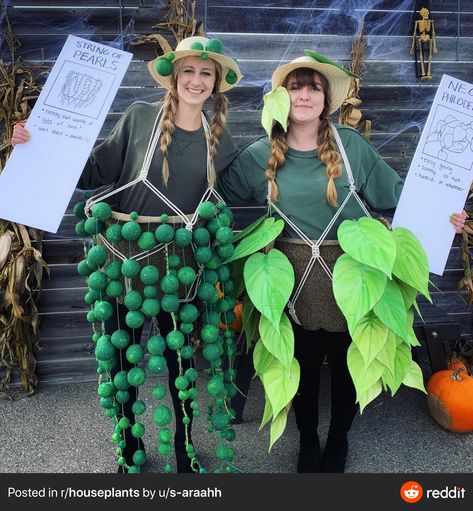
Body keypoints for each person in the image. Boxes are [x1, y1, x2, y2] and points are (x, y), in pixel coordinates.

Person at [217, 50, 466, 473]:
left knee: (352, 365)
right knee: (304, 366)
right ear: (282, 96)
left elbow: (396, 193)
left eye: (314, 87)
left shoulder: (350, 147)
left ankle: (338, 440)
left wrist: (445, 215)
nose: (305, 94)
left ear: (326, 99)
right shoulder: (261, 154)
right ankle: (309, 439)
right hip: (291, 281)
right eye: (296, 86)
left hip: (352, 275)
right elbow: (215, 194)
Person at [12, 36, 242, 473]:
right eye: (188, 71)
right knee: (122, 356)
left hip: (181, 266)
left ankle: (184, 449)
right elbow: (95, 169)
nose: (196, 80)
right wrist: (37, 142)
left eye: (205, 73)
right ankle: (127, 451)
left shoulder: (219, 137)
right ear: (174, 77)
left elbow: (232, 190)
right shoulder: (140, 118)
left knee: (181, 364)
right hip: (124, 260)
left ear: (215, 83)